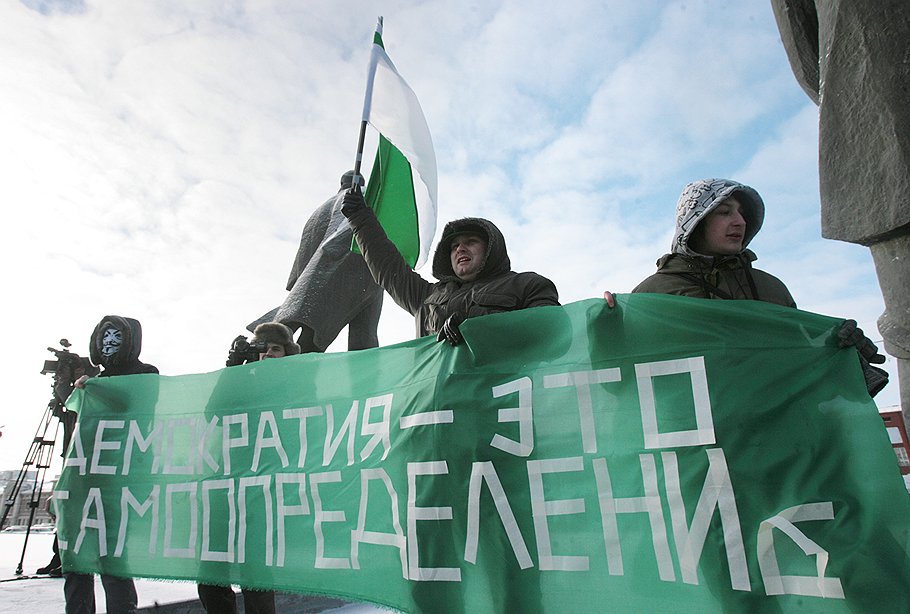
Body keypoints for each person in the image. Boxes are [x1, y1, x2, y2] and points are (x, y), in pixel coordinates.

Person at [618, 178, 887, 396]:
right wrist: (604, 330)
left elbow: (801, 358)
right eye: (724, 212)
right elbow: (620, 381)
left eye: (742, 213)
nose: (740, 221)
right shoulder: (652, 293)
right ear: (695, 221)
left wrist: (841, 350)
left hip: (776, 439)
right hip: (700, 446)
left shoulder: (770, 287)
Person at [340, 188, 560, 344]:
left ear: (492, 248)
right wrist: (359, 217)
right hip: (437, 405)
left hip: (501, 401)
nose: (460, 249)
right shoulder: (425, 297)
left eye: (470, 242)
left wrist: (476, 331)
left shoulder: (527, 285)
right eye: (454, 246)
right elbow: (388, 267)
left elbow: (550, 331)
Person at [196, 322, 296, 614]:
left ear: (286, 354)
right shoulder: (241, 381)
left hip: (263, 490)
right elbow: (212, 412)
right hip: (226, 485)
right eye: (262, 349)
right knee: (211, 574)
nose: (267, 355)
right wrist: (233, 369)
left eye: (275, 349)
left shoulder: (296, 382)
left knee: (256, 578)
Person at [65, 315, 158, 614]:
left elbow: (137, 408)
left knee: (112, 558)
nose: (109, 344)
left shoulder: (146, 373)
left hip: (119, 480)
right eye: (104, 338)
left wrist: (98, 391)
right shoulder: (95, 381)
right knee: (75, 558)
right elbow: (78, 433)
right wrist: (77, 391)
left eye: (116, 338)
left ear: (130, 341)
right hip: (84, 479)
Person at [248, 171, 383, 352]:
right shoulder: (360, 196)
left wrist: (300, 284)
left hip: (327, 267)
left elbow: (304, 256)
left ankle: (262, 357)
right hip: (360, 266)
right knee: (359, 338)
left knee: (299, 323)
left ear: (341, 183)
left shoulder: (318, 211)